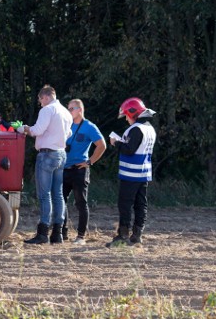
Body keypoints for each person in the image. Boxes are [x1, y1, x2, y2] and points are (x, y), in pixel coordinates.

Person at [18, 85, 73, 245]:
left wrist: (23, 129)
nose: (40, 103)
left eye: (40, 99)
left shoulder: (48, 110)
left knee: (44, 195)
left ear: (46, 97)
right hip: (61, 153)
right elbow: (68, 133)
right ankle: (58, 233)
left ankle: (43, 232)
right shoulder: (65, 112)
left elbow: (38, 130)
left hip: (47, 154)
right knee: (58, 194)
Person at [107, 97, 157, 247]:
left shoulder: (136, 129)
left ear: (132, 113)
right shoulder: (150, 128)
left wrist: (116, 142)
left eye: (126, 116)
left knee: (125, 204)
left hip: (131, 174)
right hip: (144, 173)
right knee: (141, 204)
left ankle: (123, 236)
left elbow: (129, 149)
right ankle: (137, 234)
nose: (126, 119)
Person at [61, 99, 106, 244]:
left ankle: (81, 236)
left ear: (79, 110)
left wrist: (90, 161)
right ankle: (63, 233)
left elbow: (102, 145)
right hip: (64, 169)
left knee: (80, 202)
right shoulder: (66, 124)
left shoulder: (89, 126)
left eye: (71, 109)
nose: (69, 112)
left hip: (79, 170)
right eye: (68, 109)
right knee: (60, 201)